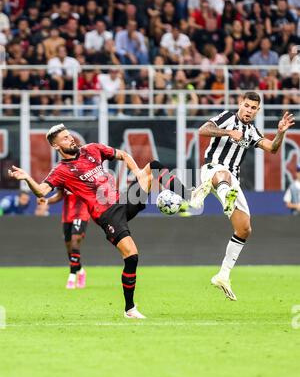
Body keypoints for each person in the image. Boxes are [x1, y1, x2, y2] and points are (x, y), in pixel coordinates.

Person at [8, 124, 203, 318]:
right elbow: (41, 191)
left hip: (124, 200)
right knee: (132, 256)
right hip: (107, 215)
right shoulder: (61, 171)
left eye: (70, 136)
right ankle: (130, 309)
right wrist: (27, 178)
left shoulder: (92, 149)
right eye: (65, 138)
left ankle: (188, 196)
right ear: (56, 146)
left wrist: (136, 172)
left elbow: (124, 155)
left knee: (153, 166)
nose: (71, 139)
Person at [197, 91, 295, 301]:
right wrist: (228, 133)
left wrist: (280, 132)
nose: (249, 110)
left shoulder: (251, 132)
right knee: (222, 174)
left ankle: (223, 275)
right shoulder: (227, 117)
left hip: (232, 180)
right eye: (246, 106)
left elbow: (272, 148)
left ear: (257, 111)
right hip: (212, 169)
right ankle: (218, 194)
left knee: (244, 228)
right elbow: (203, 130)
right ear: (240, 104)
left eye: (253, 108)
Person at [38, 189, 90, 289]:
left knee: (75, 241)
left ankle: (72, 277)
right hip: (67, 215)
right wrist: (47, 201)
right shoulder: (63, 176)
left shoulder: (84, 175)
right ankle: (81, 271)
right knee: (69, 247)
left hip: (81, 213)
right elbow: (60, 195)